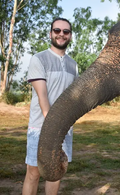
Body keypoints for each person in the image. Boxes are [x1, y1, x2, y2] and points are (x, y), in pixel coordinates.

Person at [22, 17, 78, 195]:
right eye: (57, 31)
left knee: (55, 173)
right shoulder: (39, 59)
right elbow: (42, 96)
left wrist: (65, 124)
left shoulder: (73, 65)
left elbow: (73, 98)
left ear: (70, 36)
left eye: (66, 32)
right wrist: (53, 124)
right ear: (51, 33)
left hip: (65, 129)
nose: (61, 34)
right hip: (40, 127)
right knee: (34, 173)